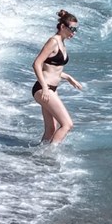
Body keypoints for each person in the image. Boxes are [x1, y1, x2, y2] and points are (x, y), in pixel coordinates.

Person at [32, 9, 83, 144]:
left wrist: (68, 77)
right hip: (44, 88)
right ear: (62, 27)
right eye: (72, 29)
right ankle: (49, 155)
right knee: (67, 124)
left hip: (51, 89)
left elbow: (53, 69)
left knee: (51, 128)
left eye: (76, 30)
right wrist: (44, 87)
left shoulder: (62, 42)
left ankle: (37, 158)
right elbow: (37, 64)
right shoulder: (53, 41)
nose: (74, 32)